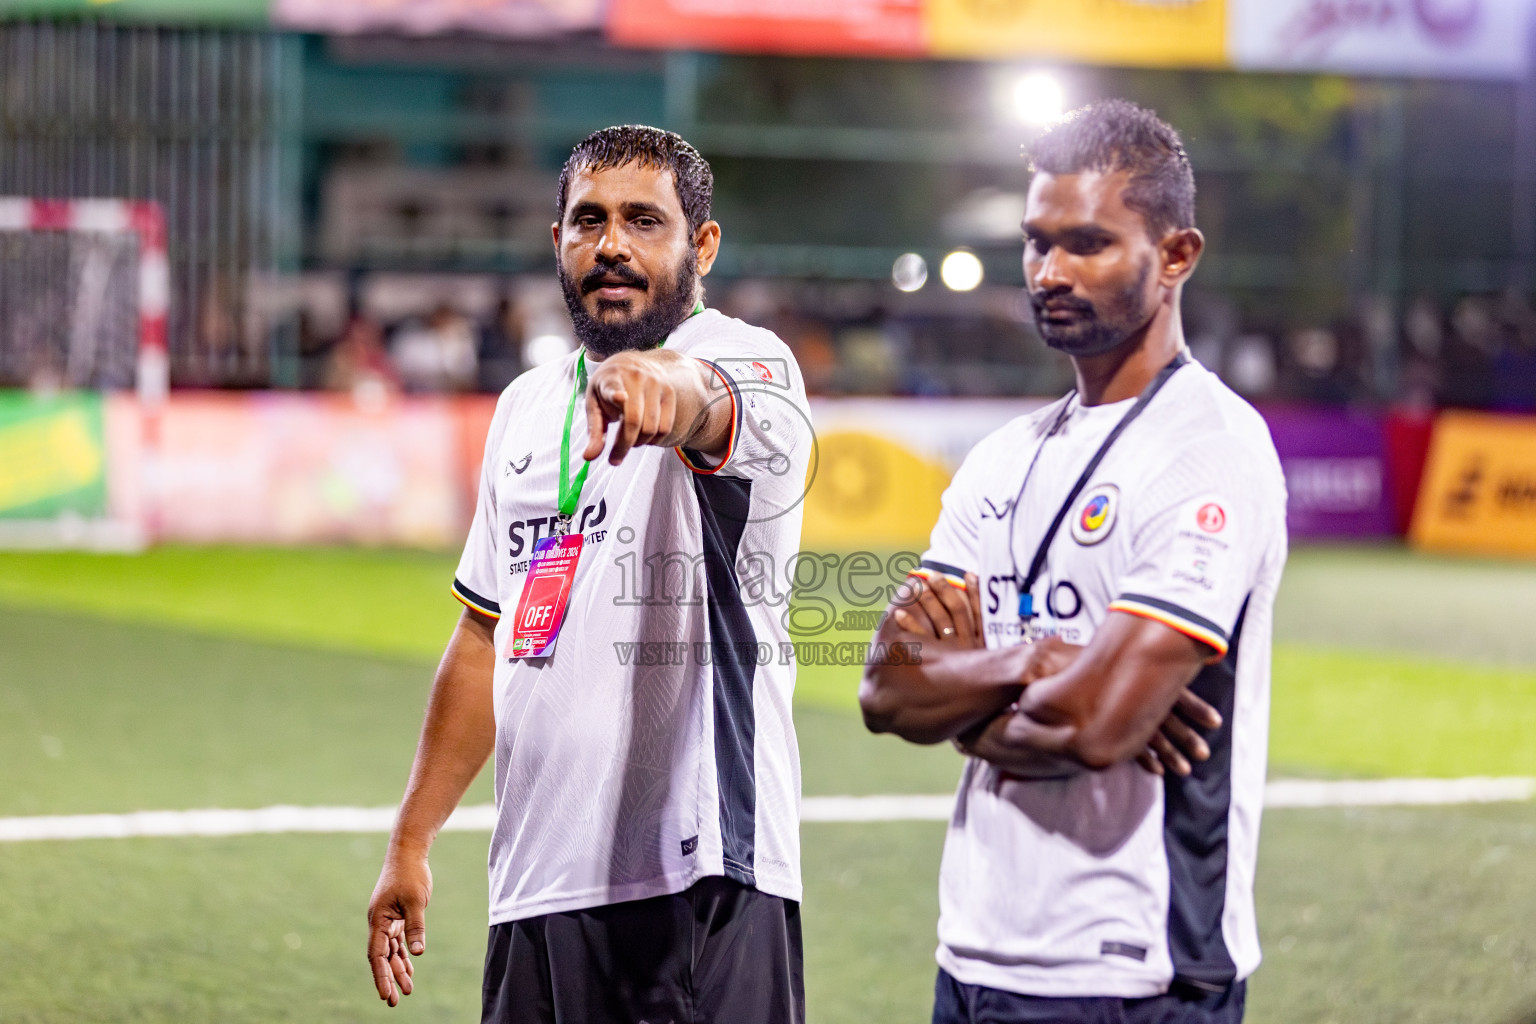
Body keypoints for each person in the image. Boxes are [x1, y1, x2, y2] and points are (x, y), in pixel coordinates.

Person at [365, 125, 813, 1023]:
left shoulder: (752, 362)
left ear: (703, 246)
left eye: (645, 221)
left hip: (697, 884)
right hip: (534, 888)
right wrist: (412, 838)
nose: (612, 245)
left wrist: (663, 389)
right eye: (589, 221)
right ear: (558, 242)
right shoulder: (526, 407)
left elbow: (709, 400)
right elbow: (486, 631)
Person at [860, 100, 1288, 1023]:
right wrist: (1035, 661)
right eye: (1037, 242)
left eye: (1088, 243)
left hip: (1133, 973)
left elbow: (1098, 725)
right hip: (973, 951)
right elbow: (888, 689)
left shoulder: (1210, 448)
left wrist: (969, 700)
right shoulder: (1003, 455)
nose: (1049, 272)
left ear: (1177, 255)